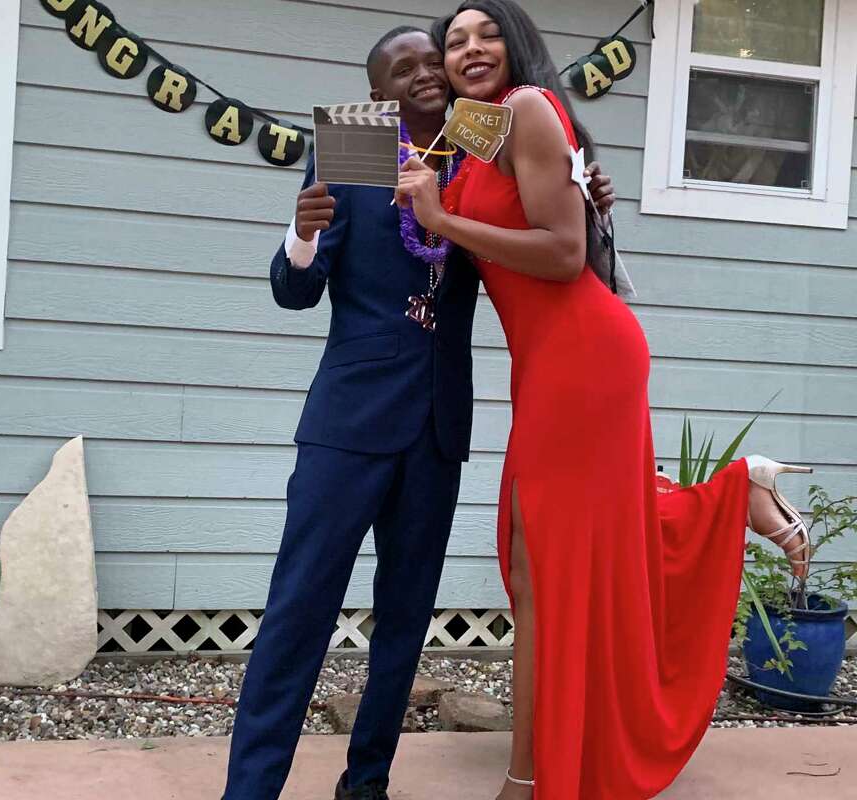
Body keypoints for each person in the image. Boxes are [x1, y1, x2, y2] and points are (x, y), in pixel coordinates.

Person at [394, 3, 815, 798]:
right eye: (455, 42)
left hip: (582, 357)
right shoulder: (482, 133)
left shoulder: (524, 106)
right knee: (562, 553)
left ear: (516, 46)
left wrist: (445, 217)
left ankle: (528, 778)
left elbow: (561, 254)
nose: (469, 49)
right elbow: (542, 209)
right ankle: (736, 495)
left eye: (486, 34)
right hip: (552, 363)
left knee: (540, 561)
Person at [221, 25, 617, 800]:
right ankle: (250, 790)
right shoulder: (355, 140)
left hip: (437, 423)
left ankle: (366, 783)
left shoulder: (481, 136)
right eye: (402, 69)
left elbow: (544, 226)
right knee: (300, 609)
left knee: (404, 626)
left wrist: (586, 197)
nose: (425, 74)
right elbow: (297, 290)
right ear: (378, 93)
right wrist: (301, 235)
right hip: (350, 423)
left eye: (431, 60)